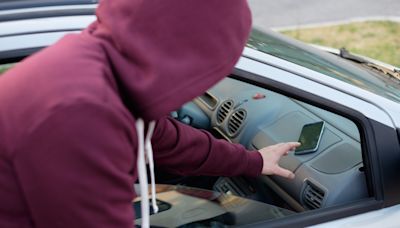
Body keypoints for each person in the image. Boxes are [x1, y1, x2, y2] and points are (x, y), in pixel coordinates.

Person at [0, 0, 300, 227]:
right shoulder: (80, 112)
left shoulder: (104, 68)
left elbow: (167, 140)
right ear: (188, 56)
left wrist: (254, 160)